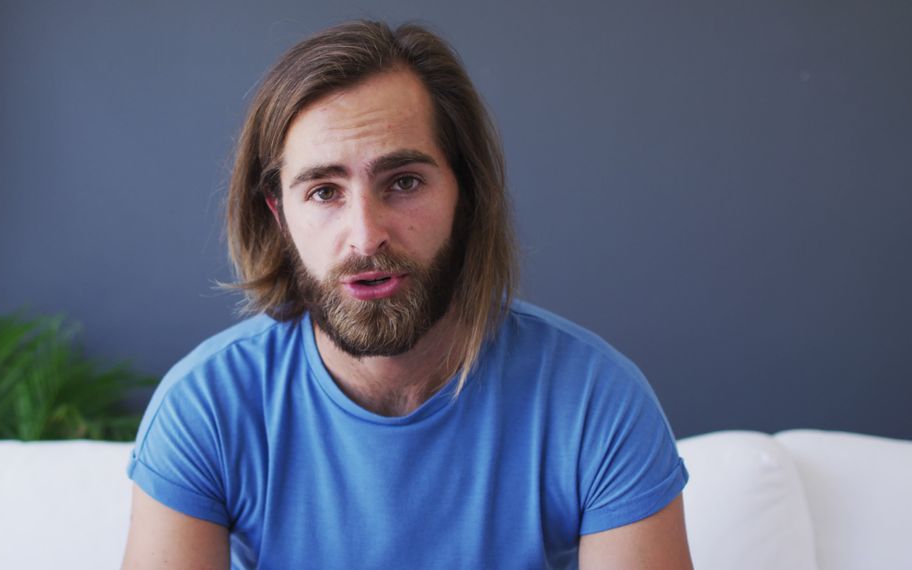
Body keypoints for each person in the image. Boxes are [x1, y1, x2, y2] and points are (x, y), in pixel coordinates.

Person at [121, 20, 692, 570]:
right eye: (324, 192)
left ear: (464, 196)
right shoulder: (207, 407)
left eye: (404, 182)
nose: (366, 235)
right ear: (279, 215)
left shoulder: (598, 403)